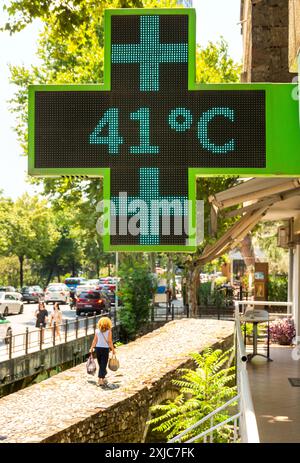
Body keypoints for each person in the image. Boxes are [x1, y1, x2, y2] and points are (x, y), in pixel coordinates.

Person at [89, 316, 116, 387]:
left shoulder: (97, 331)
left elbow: (95, 340)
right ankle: (99, 379)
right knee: (103, 364)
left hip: (98, 349)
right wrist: (113, 349)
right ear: (108, 323)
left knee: (101, 364)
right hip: (105, 349)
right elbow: (110, 341)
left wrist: (92, 347)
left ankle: (103, 378)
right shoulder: (109, 331)